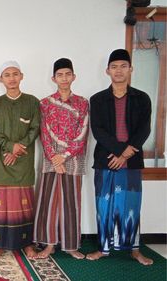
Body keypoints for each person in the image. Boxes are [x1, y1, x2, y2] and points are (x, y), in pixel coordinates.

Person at [86, 49, 153, 265]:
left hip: (131, 161)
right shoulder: (97, 100)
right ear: (107, 71)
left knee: (131, 205)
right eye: (114, 67)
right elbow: (98, 130)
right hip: (106, 160)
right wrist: (117, 152)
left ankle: (134, 249)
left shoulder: (142, 98)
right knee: (104, 206)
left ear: (131, 69)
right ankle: (103, 249)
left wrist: (125, 154)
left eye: (123, 66)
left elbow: (144, 129)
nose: (119, 70)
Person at [33, 58, 89, 259]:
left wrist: (64, 157)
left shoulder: (83, 103)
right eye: (60, 75)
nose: (64, 78)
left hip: (73, 162)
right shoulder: (46, 103)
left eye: (67, 74)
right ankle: (48, 245)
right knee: (48, 202)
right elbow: (43, 133)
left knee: (71, 202)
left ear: (74, 76)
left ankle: (71, 245)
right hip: (50, 161)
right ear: (53, 78)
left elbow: (83, 132)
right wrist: (54, 158)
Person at [0, 61, 40, 258]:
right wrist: (9, 146)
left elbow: (35, 129)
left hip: (23, 163)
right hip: (2, 163)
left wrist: (17, 149)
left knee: (25, 206)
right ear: (1, 79)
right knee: (3, 208)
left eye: (15, 74)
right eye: (7, 75)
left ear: (22, 76)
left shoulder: (32, 102)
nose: (12, 78)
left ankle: (27, 244)